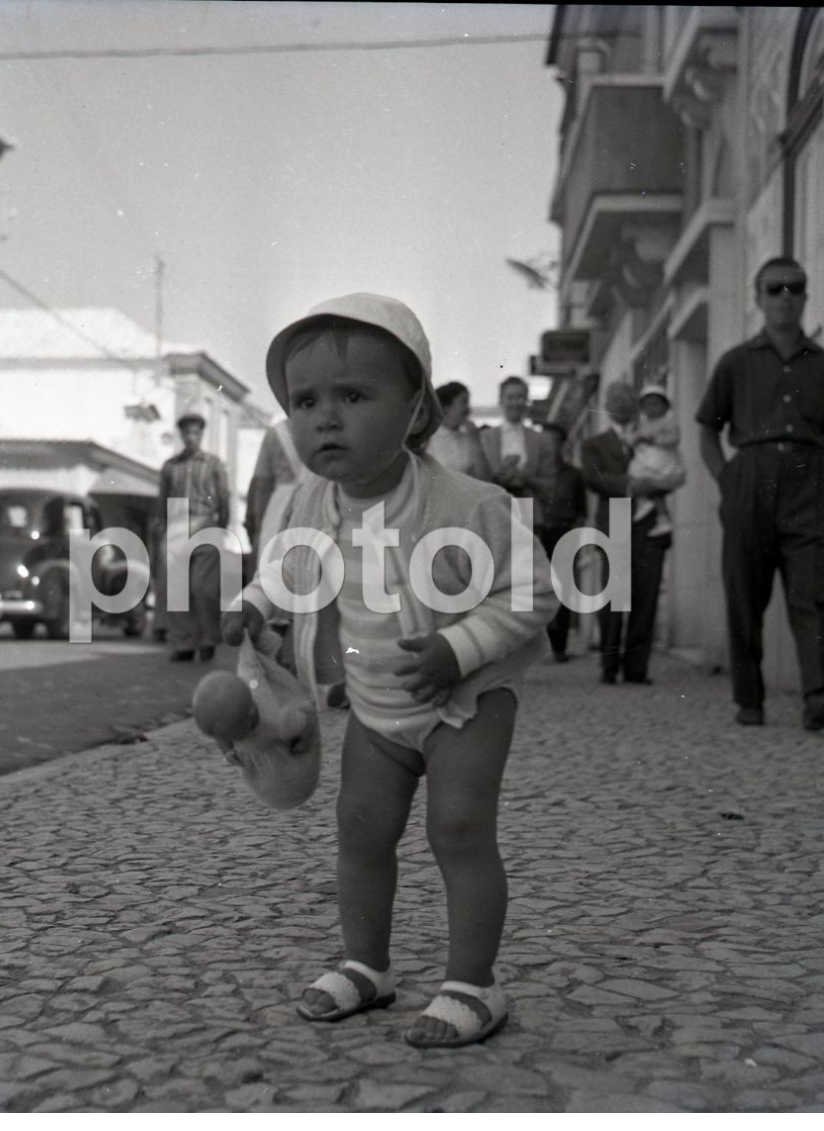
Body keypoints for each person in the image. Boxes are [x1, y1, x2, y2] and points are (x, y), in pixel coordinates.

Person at [223, 293, 556, 1049]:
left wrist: (461, 648)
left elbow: (537, 588)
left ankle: (474, 981)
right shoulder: (311, 501)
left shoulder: (469, 504)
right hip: (377, 703)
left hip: (466, 696)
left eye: (353, 395)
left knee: (459, 827)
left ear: (414, 413)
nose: (325, 418)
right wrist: (253, 605)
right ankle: (367, 963)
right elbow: (289, 570)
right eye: (304, 401)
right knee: (361, 825)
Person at [696, 257, 824, 731]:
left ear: (805, 297)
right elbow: (707, 429)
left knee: (811, 594)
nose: (785, 297)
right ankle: (749, 699)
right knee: (745, 596)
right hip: (750, 481)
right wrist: (728, 482)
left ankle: (817, 694)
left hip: (809, 486)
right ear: (758, 299)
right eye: (774, 289)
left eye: (794, 288)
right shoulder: (735, 362)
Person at [581, 382, 680, 685]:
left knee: (646, 594)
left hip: (650, 523)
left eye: (627, 399)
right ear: (607, 404)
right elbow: (592, 477)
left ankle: (637, 668)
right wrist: (629, 485)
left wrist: (660, 483)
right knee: (614, 597)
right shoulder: (594, 444)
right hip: (616, 520)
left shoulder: (651, 436)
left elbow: (674, 467)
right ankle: (609, 666)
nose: (622, 404)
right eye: (616, 399)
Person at [156, 412, 230, 662]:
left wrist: (221, 528)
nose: (191, 437)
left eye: (195, 432)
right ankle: (184, 643)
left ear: (201, 434)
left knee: (204, 588)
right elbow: (162, 500)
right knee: (176, 589)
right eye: (186, 432)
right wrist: (163, 528)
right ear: (181, 435)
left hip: (205, 523)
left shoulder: (213, 464)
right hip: (176, 525)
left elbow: (224, 498)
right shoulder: (171, 466)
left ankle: (208, 640)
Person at [535, 420, 587, 662]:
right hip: (536, 533)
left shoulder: (574, 475)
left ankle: (559, 648)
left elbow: (581, 509)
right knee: (537, 590)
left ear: (563, 444)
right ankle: (538, 646)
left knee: (563, 591)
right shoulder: (532, 474)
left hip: (564, 533)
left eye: (553, 441)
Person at [480, 376, 559, 528]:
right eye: (510, 397)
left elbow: (550, 485)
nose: (516, 403)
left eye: (521, 397)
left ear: (527, 402)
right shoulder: (484, 439)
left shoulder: (542, 440)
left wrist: (525, 477)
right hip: (493, 511)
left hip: (528, 512)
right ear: (500, 401)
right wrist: (499, 474)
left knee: (526, 551)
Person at [244, 418, 312, 558]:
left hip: (280, 502)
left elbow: (262, 485)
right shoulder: (321, 427)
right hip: (315, 497)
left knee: (272, 557)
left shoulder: (275, 432)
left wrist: (259, 526)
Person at [628, 384, 686, 538]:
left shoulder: (668, 423)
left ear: (665, 407)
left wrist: (653, 440)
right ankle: (658, 514)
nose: (651, 408)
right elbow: (635, 439)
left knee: (651, 483)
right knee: (637, 476)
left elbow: (673, 439)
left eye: (656, 404)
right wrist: (637, 440)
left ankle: (653, 508)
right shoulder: (643, 424)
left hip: (663, 460)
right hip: (648, 459)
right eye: (647, 405)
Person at [425, 381, 494, 480]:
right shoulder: (429, 440)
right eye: (464, 402)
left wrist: (475, 441)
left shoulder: (470, 438)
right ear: (446, 407)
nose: (468, 409)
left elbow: (485, 479)